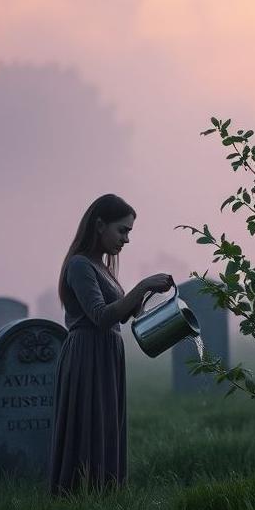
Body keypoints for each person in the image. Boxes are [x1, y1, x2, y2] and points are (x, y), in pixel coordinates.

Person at [49, 193, 173, 494]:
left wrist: (147, 299)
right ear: (100, 225)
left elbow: (123, 313)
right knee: (89, 425)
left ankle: (105, 493)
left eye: (129, 232)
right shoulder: (80, 266)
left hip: (107, 355)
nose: (126, 239)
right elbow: (101, 316)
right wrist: (142, 285)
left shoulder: (103, 267)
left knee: (106, 426)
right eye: (123, 230)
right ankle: (78, 495)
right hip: (86, 355)